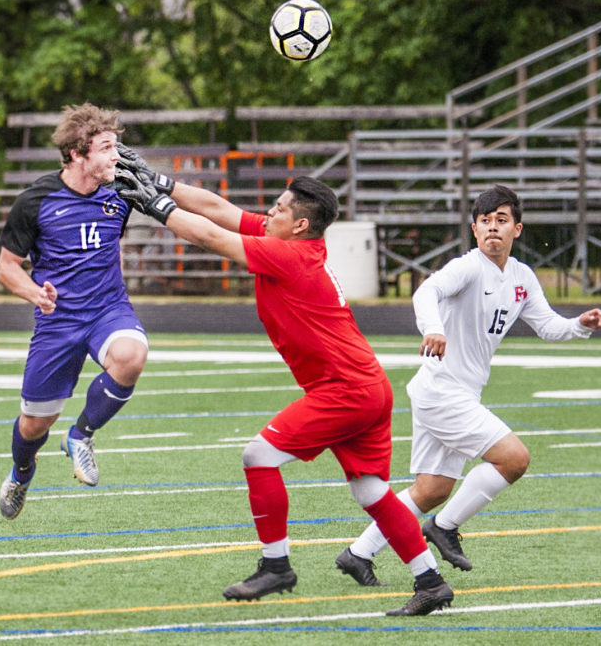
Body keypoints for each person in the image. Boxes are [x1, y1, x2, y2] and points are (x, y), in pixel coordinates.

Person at [113, 152, 453, 616]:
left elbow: (211, 235)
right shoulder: (292, 243)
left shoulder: (286, 254)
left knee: (258, 455)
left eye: (278, 208)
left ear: (299, 225)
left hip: (345, 388)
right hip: (364, 385)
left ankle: (276, 566)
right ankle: (430, 582)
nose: (268, 212)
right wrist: (160, 182)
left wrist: (153, 207)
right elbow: (220, 210)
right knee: (371, 492)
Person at [339, 184, 601, 581]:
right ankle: (444, 527)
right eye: (485, 221)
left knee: (431, 490)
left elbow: (548, 327)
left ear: (517, 228)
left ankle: (358, 553)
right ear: (474, 229)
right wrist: (433, 328)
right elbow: (426, 292)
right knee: (514, 459)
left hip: (453, 392)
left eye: (502, 220)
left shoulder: (521, 276)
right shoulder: (467, 267)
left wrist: (578, 325)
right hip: (442, 391)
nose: (492, 229)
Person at [0, 103, 148, 520]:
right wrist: (35, 295)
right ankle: (22, 473)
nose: (115, 155)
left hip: (107, 309)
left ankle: (81, 436)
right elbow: (7, 268)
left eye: (115, 146)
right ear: (77, 153)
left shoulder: (121, 192)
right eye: (105, 147)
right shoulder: (35, 200)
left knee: (132, 356)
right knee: (33, 425)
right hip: (58, 321)